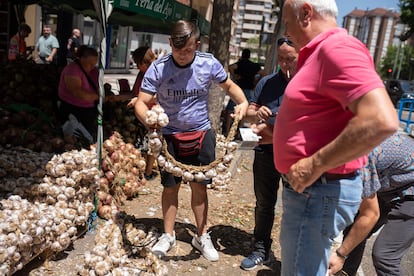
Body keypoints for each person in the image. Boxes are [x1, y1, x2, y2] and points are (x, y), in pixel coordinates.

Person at [274, 0, 399, 275]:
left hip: (317, 190)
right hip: (313, 191)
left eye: (287, 21)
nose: (287, 30)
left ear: (306, 13)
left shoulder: (337, 48)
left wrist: (314, 164)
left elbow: (381, 119)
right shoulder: (320, 52)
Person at [134, 20, 248, 262]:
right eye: (178, 51)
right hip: (169, 136)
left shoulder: (208, 63)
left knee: (199, 187)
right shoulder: (158, 68)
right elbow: (141, 102)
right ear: (169, 44)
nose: (183, 56)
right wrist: (150, 120)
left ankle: (201, 235)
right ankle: (168, 235)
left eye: (188, 50)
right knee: (169, 187)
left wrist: (243, 103)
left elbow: (229, 86)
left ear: (197, 44)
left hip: (201, 133)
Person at [240, 37, 298, 271]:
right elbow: (250, 113)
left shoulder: (307, 85)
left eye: (290, 59)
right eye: (281, 58)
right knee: (264, 203)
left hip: (295, 158)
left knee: (295, 207)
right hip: (265, 154)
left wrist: (277, 133)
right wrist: (256, 114)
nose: (284, 64)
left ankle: (293, 257)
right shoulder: (266, 82)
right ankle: (261, 248)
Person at [328, 132, 414, 276]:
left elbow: (370, 215)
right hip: (392, 181)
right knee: (354, 231)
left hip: (408, 189)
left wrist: (340, 254)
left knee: (385, 256)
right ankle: (345, 273)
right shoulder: (348, 141)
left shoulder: (358, 162)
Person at [58, 45, 99, 143]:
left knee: (86, 136)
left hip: (87, 109)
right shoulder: (72, 70)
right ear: (81, 59)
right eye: (89, 64)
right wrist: (98, 97)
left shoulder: (94, 70)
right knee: (77, 137)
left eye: (94, 64)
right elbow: (76, 92)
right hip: (73, 109)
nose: (92, 67)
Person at [130, 46, 158, 180]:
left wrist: (139, 100)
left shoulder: (158, 73)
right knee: (142, 143)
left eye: (137, 64)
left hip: (152, 112)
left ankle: (147, 172)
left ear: (143, 63)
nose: (136, 67)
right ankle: (141, 172)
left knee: (151, 143)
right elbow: (135, 92)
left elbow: (161, 94)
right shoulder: (142, 74)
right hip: (141, 113)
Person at [223, 49, 264, 135]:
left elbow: (230, 67)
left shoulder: (240, 64)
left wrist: (234, 76)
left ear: (242, 55)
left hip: (238, 89)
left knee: (231, 110)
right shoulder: (254, 65)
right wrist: (256, 83)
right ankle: (240, 133)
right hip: (249, 89)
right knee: (245, 111)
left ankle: (227, 130)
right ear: (249, 55)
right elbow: (263, 73)